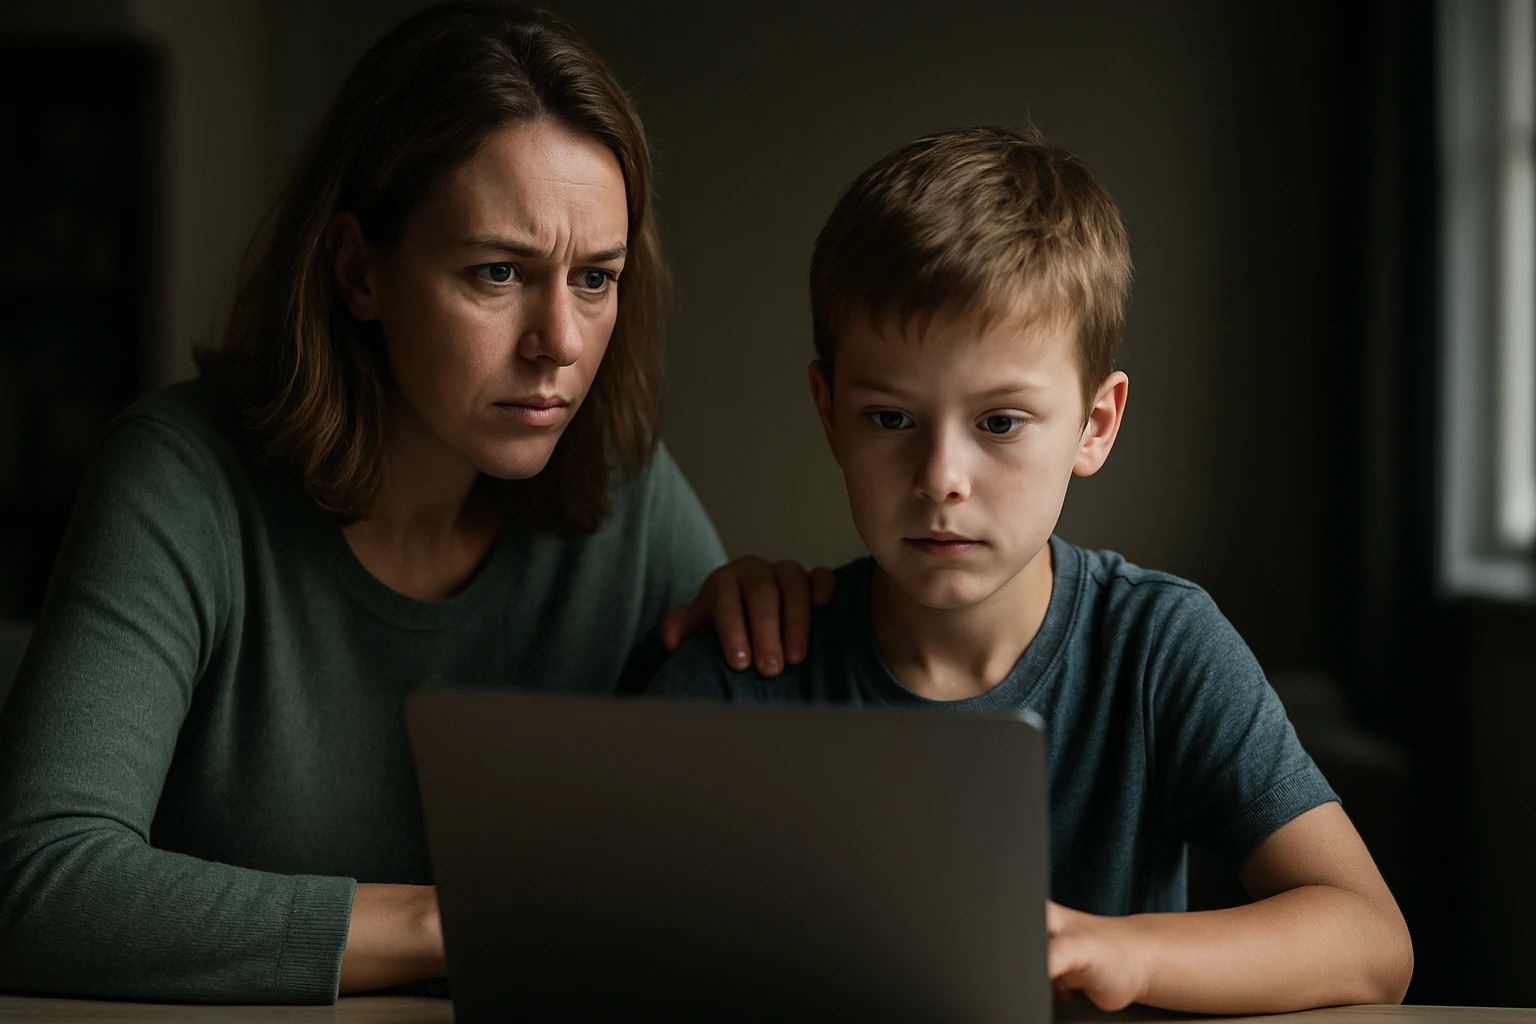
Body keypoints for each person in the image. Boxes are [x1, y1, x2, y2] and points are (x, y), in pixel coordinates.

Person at [0, 2, 825, 1004]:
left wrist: (776, 624)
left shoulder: (623, 491)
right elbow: (35, 882)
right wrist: (459, 915)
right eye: (497, 272)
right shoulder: (182, 479)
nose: (560, 341)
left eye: (595, 278)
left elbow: (768, 872)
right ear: (359, 271)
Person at [649, 125, 1414, 1013]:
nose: (941, 479)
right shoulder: (751, 667)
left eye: (1001, 422)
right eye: (890, 419)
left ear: (1095, 424)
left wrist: (1122, 950)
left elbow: (1371, 942)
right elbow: (587, 927)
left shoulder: (1158, 648)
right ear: (829, 413)